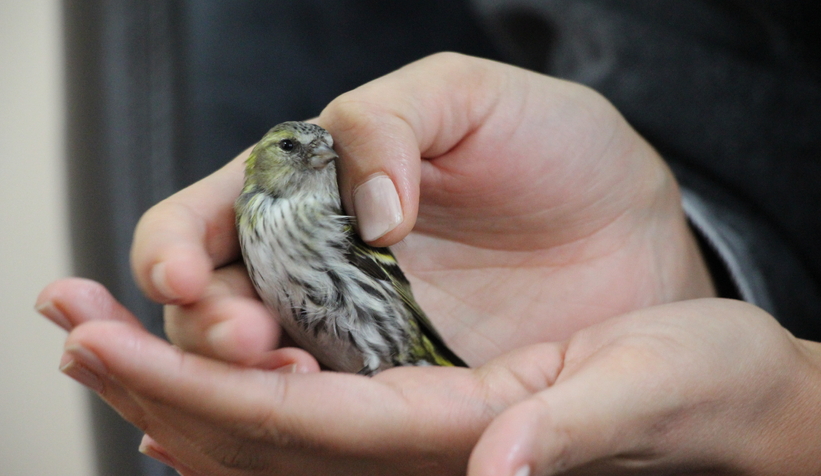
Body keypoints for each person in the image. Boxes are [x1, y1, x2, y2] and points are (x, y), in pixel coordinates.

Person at [37, 49, 821, 475]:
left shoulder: (322, 209)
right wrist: (700, 258)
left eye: (319, 146)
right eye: (292, 145)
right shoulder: (254, 212)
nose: (316, 150)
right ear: (261, 164)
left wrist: (791, 413)